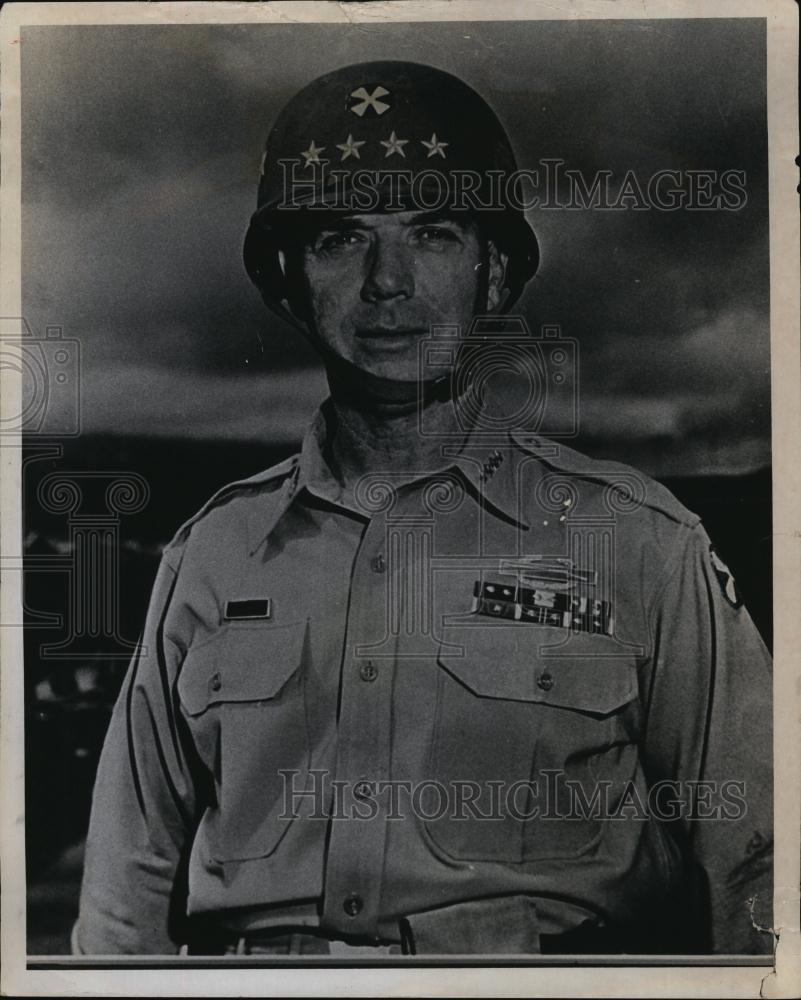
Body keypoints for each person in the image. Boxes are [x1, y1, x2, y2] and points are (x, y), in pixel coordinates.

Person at [75, 60, 773, 957]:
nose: (386, 282)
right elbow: (123, 891)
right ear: (290, 281)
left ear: (492, 273)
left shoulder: (639, 544)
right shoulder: (211, 555)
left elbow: (759, 857)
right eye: (340, 238)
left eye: (434, 233)